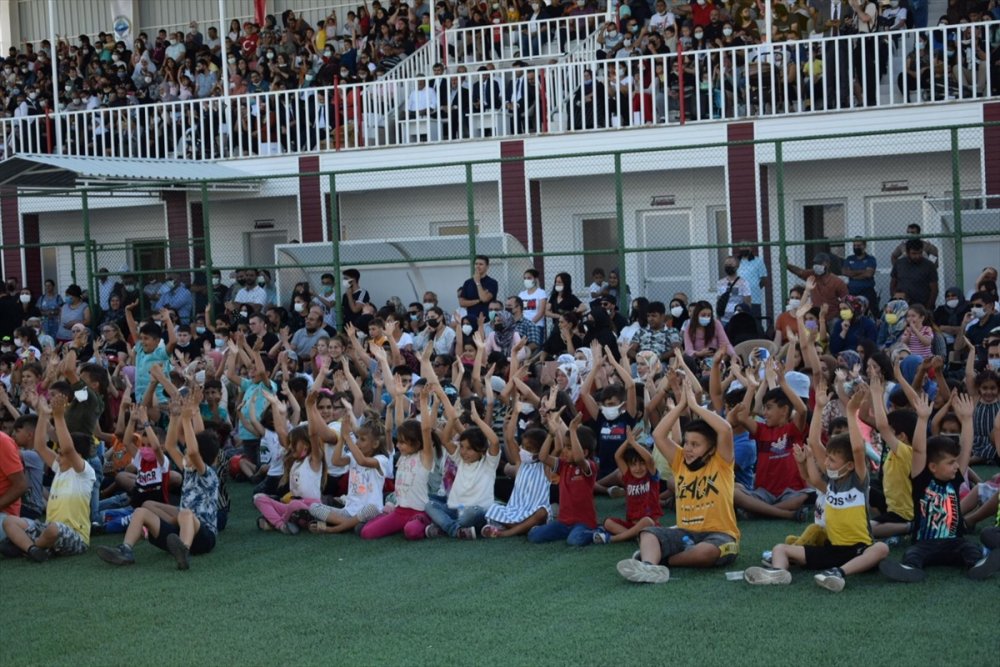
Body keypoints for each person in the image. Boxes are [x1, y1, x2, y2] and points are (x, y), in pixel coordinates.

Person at [744, 385, 889, 592]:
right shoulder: (829, 486)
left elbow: (857, 449)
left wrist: (851, 412)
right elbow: (812, 443)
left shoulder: (859, 482)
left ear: (849, 466)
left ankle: (839, 573)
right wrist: (819, 408)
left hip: (858, 549)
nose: (827, 463)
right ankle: (778, 573)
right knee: (780, 549)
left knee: (881, 548)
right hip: (831, 550)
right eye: (827, 458)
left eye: (832, 460)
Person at [617, 375, 739, 584]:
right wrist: (681, 404)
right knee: (648, 533)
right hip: (684, 532)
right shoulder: (680, 460)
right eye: (686, 442)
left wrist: (695, 405)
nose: (688, 449)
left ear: (711, 447)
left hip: (720, 535)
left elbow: (725, 429)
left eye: (695, 444)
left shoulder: (722, 462)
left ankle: (663, 562)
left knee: (705, 553)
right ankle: (648, 566)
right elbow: (659, 435)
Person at [879, 393, 1000, 582]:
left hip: (954, 542)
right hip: (925, 543)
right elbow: (919, 450)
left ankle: (977, 565)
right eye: (951, 462)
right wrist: (922, 419)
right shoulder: (921, 479)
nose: (956, 466)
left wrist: (967, 420)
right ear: (933, 466)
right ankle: (910, 569)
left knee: (970, 549)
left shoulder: (955, 479)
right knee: (913, 553)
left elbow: (966, 449)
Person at [96, 396, 221, 569]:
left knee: (185, 514)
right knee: (142, 510)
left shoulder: (207, 474)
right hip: (179, 532)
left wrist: (186, 419)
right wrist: (175, 416)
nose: (183, 454)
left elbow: (192, 451)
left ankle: (183, 551)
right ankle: (125, 550)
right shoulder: (189, 467)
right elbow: (169, 446)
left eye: (186, 453)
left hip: (204, 537)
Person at [1, 394, 95, 562]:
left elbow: (67, 449)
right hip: (48, 529)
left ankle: (30, 546)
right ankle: (33, 550)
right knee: (9, 522)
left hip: (75, 537)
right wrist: (43, 415)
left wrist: (59, 416)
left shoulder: (84, 472)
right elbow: (40, 446)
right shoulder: (60, 468)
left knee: (53, 529)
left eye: (60, 454)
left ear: (78, 455)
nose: (57, 456)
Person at [425, 402, 499, 538]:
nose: (463, 452)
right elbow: (446, 441)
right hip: (455, 509)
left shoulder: (488, 463)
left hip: (477, 511)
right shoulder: (460, 459)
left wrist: (477, 420)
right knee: (428, 505)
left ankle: (446, 528)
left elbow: (494, 442)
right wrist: (452, 419)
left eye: (469, 449)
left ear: (481, 450)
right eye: (462, 447)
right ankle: (456, 530)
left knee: (470, 514)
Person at [527, 412, 600, 546]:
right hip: (564, 522)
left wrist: (572, 430)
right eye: (565, 447)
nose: (564, 451)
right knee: (533, 536)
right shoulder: (563, 465)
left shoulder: (589, 466)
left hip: (584, 522)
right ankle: (568, 532)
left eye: (569, 448)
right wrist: (551, 434)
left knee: (574, 541)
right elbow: (543, 457)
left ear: (584, 452)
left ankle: (597, 531)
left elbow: (578, 458)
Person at [593, 427, 662, 544]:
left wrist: (634, 443)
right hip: (630, 524)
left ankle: (613, 539)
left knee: (647, 521)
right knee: (608, 522)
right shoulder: (628, 476)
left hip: (649, 524)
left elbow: (649, 459)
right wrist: (628, 441)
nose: (638, 468)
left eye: (642, 464)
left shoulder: (651, 476)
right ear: (629, 466)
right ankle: (635, 536)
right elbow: (617, 456)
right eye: (633, 464)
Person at [890, 238, 938, 309]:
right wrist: (895, 300)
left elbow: (934, 290)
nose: (917, 256)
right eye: (914, 253)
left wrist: (928, 308)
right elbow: (893, 283)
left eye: (920, 253)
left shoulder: (929, 266)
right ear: (907, 252)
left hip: (922, 306)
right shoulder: (899, 264)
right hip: (902, 306)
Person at [458, 256, 498, 333]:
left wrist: (478, 282)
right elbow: (462, 303)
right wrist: (478, 300)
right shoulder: (468, 283)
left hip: (487, 322)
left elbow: (485, 299)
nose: (478, 266)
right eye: (476, 264)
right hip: (471, 322)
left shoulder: (492, 283)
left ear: (487, 266)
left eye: (481, 264)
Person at [842, 237, 878, 314]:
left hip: (867, 291)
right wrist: (863, 271)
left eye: (859, 245)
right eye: (854, 245)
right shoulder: (849, 258)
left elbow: (869, 274)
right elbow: (845, 272)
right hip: (852, 291)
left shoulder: (870, 259)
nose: (856, 247)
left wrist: (853, 275)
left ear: (864, 246)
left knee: (874, 313)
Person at [716, 256, 752, 326]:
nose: (728, 266)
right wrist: (718, 318)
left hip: (738, 319)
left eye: (731, 264)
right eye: (726, 265)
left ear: (737, 266)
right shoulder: (720, 283)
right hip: (724, 320)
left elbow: (747, 302)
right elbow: (719, 301)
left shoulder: (744, 283)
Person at [735, 247, 768, 322]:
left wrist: (755, 287)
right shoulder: (736, 262)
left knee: (755, 321)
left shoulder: (758, 261)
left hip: (754, 299)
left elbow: (764, 279)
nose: (744, 248)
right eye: (742, 246)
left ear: (751, 249)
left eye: (746, 246)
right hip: (738, 298)